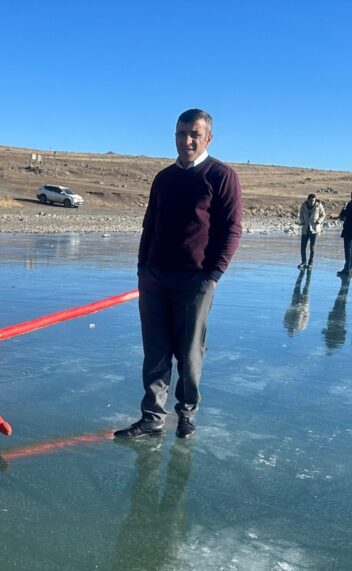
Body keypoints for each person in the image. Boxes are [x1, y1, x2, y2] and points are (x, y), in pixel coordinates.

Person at [114, 108, 243, 441]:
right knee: (155, 351)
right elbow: (149, 225)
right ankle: (152, 418)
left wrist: (213, 273)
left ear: (208, 138)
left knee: (189, 353)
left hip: (196, 279)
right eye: (181, 133)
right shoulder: (164, 178)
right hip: (155, 277)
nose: (186, 140)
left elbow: (232, 229)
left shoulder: (221, 176)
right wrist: (143, 268)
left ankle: (186, 414)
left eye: (194, 135)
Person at [298, 193, 326, 268]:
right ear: (308, 200)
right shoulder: (304, 205)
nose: (312, 202)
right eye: (311, 200)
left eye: (313, 200)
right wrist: (302, 221)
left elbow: (323, 215)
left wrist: (319, 221)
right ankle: (303, 262)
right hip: (305, 228)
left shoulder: (318, 205)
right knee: (303, 246)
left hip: (314, 229)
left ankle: (310, 262)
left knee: (312, 247)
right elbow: (300, 214)